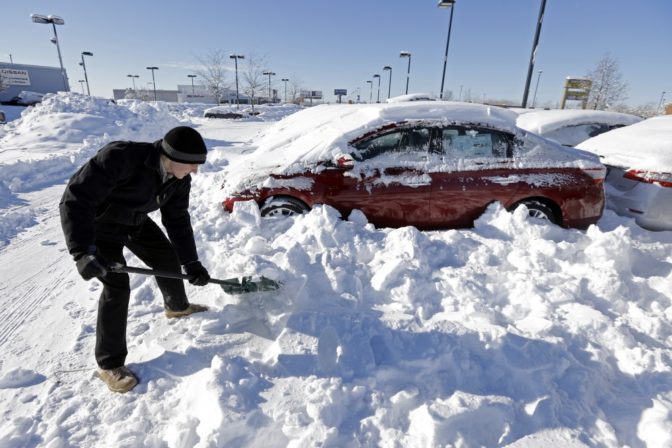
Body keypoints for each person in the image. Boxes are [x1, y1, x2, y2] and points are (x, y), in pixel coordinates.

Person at [60, 126, 211, 393]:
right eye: (191, 164)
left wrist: (191, 263)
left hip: (135, 220)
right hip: (101, 226)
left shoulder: (179, 179)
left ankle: (176, 306)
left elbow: (177, 220)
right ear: (171, 156)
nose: (195, 171)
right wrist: (82, 251)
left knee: (166, 257)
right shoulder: (121, 157)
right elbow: (76, 199)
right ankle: (109, 364)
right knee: (117, 286)